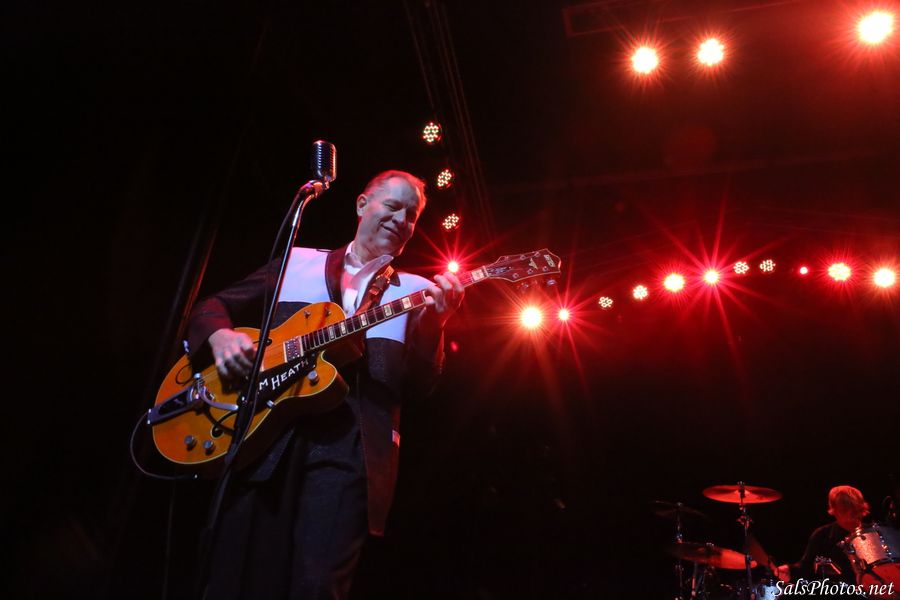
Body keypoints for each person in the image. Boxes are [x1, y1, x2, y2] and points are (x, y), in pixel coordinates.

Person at [187, 170, 464, 599]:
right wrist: (220, 336)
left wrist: (436, 325)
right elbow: (212, 306)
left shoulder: (419, 292)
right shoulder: (299, 262)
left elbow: (420, 388)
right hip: (267, 438)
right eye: (393, 207)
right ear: (362, 205)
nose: (401, 220)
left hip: (349, 450)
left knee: (316, 585)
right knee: (234, 574)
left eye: (411, 216)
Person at [774, 485, 871, 589]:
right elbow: (806, 567)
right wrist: (789, 570)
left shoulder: (874, 533)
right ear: (834, 509)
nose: (849, 512)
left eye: (852, 507)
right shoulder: (822, 535)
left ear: (861, 508)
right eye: (844, 508)